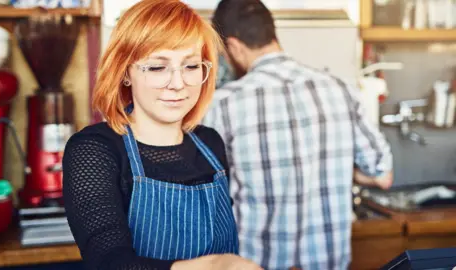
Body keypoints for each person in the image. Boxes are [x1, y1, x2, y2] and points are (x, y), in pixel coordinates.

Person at [62, 1, 263, 269]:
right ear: (125, 72)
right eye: (157, 67)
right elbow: (108, 260)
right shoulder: (94, 150)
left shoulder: (210, 143)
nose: (179, 84)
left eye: (191, 66)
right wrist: (209, 266)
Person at [203, 0, 394, 269]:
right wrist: (333, 167)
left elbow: (208, 197)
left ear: (232, 46)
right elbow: (382, 174)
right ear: (272, 34)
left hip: (255, 264)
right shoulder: (339, 89)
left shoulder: (223, 105)